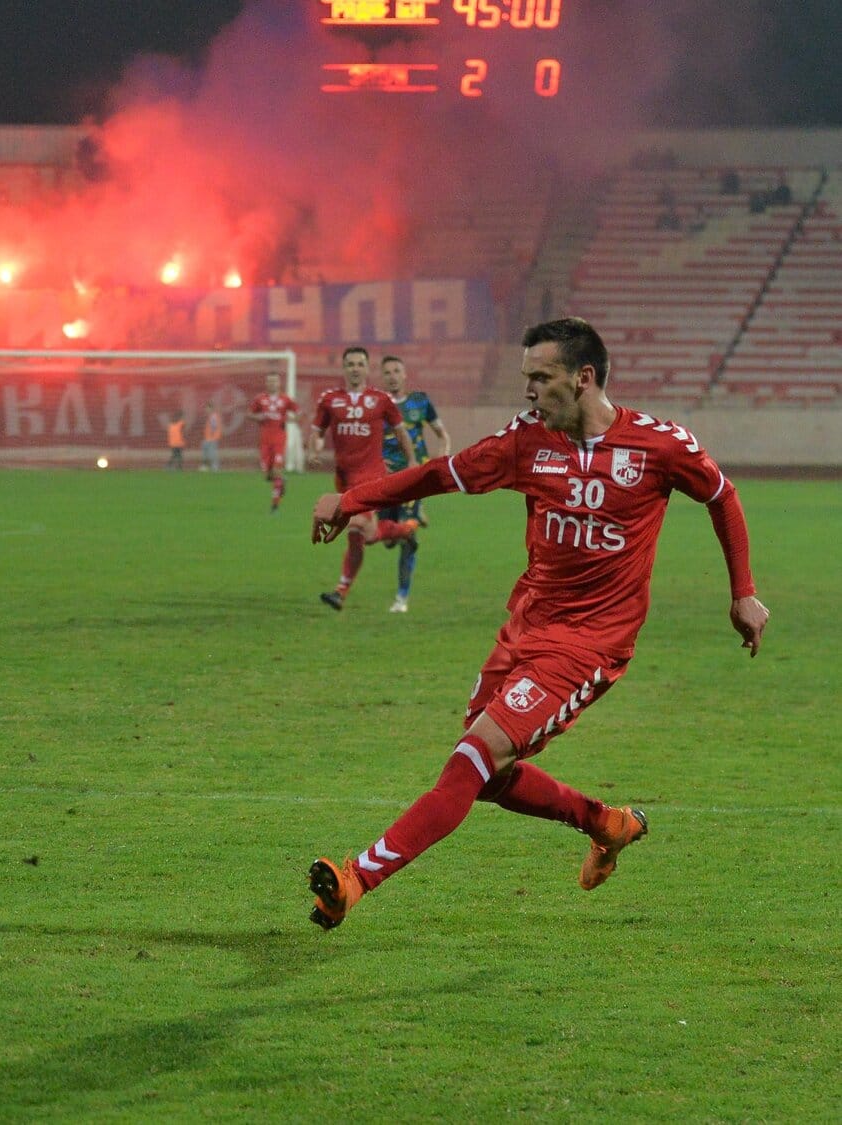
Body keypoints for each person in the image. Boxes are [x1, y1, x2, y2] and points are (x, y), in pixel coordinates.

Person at [306, 317, 769, 931]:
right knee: (489, 777)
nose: (528, 391)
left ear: (583, 378)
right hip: (524, 628)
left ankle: (357, 878)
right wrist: (352, 499)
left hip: (588, 645)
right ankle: (605, 823)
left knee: (470, 760)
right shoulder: (527, 442)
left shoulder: (659, 445)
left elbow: (722, 496)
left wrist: (744, 593)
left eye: (540, 378)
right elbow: (441, 474)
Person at [309, 346, 418, 611]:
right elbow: (317, 430)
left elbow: (401, 433)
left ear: (367, 369)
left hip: (372, 477)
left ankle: (340, 591)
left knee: (357, 528)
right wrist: (313, 449)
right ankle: (405, 530)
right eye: (350, 364)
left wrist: (413, 462)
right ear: (344, 368)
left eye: (360, 364)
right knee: (364, 536)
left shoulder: (381, 400)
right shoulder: (329, 399)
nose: (355, 368)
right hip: (344, 479)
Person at [378, 355, 451, 613]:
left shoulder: (420, 402)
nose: (393, 375)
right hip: (384, 481)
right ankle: (415, 515)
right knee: (386, 538)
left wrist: (439, 462)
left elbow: (443, 435)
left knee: (408, 537)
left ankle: (401, 598)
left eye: (397, 370)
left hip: (414, 476)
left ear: (405, 374)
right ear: (382, 376)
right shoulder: (376, 405)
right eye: (387, 372)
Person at [247, 372, 297, 512]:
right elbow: (249, 413)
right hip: (264, 441)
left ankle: (275, 505)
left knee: (276, 471)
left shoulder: (286, 399)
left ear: (279, 383)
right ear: (266, 383)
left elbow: (298, 412)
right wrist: (258, 417)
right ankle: (282, 481)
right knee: (267, 475)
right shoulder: (260, 399)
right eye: (269, 381)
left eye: (274, 381)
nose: (272, 384)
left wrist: (292, 419)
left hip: (279, 440)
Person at [200, 399, 222, 471]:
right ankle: (207, 466)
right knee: (207, 452)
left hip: (211, 438)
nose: (206, 410)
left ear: (210, 408)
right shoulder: (212, 416)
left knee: (211, 453)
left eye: (207, 408)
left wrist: (212, 437)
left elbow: (214, 426)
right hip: (209, 438)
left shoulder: (213, 416)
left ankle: (214, 467)